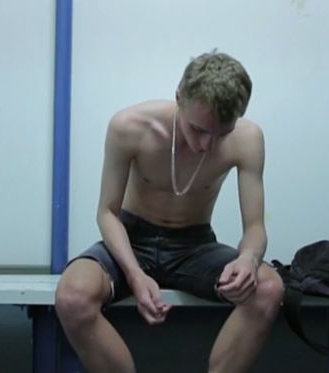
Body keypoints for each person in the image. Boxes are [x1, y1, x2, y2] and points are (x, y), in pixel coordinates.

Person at [55, 50, 283, 373]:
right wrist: (134, 274)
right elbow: (107, 212)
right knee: (72, 296)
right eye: (198, 129)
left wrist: (248, 259)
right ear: (179, 97)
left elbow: (256, 228)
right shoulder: (129, 127)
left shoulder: (248, 140)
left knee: (269, 288)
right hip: (131, 240)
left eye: (221, 134)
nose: (206, 144)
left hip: (195, 246)